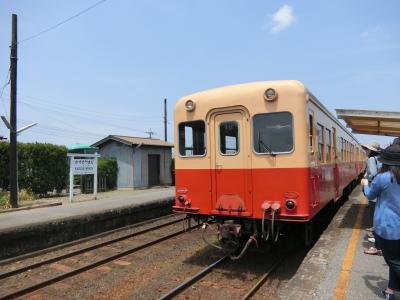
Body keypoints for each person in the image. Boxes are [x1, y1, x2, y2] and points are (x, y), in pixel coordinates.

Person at [362, 145, 400, 300]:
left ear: (385, 162)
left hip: (389, 227)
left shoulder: (383, 177)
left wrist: (365, 184)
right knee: (396, 260)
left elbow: (370, 195)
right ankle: (390, 291)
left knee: (393, 261)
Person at [362, 141, 382, 255]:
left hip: (372, 186)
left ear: (371, 150)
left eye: (367, 149)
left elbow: (372, 173)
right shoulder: (379, 158)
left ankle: (377, 244)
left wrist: (365, 178)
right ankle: (378, 239)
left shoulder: (371, 159)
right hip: (379, 189)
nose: (366, 151)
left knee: (374, 214)